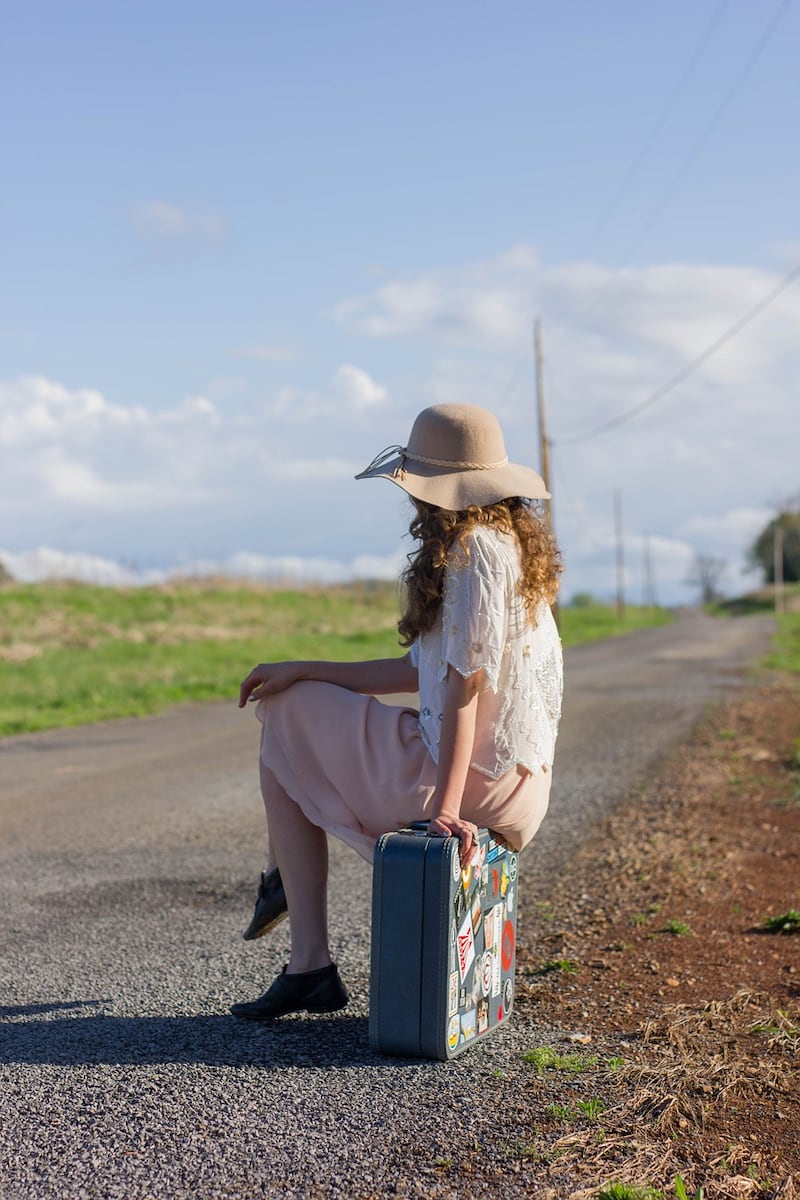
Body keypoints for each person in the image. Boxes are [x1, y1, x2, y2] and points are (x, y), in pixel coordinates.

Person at [230, 403, 563, 1020]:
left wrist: (445, 810)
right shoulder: (505, 547)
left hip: (474, 782)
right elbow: (421, 674)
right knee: (291, 704)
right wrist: (306, 666)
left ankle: (304, 948)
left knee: (282, 716)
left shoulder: (474, 555)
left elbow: (465, 687)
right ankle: (291, 914)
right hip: (513, 779)